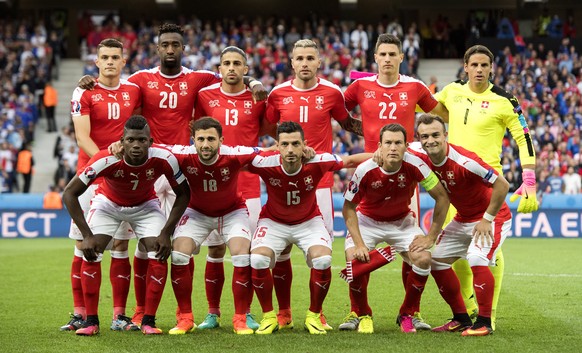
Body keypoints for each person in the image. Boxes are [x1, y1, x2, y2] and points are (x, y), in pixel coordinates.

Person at [80, 23, 267, 326]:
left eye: (175, 45)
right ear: (158, 48)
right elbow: (113, 84)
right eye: (165, 44)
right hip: (151, 167)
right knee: (142, 244)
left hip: (183, 168)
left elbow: (233, 75)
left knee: (182, 244)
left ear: (183, 48)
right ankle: (139, 312)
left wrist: (255, 80)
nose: (170, 49)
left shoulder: (198, 78)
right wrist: (87, 82)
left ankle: (188, 314)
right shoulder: (141, 79)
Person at [340, 33, 448, 331]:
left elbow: (439, 116)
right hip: (372, 166)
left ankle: (411, 312)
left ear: (402, 57)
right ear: (375, 58)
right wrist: (364, 133)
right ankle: (356, 312)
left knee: (414, 251)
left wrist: (415, 146)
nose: (387, 59)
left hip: (404, 168)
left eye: (392, 54)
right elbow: (339, 112)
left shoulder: (415, 86)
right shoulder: (360, 85)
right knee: (356, 255)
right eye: (382, 54)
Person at [435, 44, 538, 330]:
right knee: (454, 254)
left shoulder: (506, 100)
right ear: (465, 67)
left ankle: (487, 313)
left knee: (487, 252)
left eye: (485, 65)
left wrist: (528, 178)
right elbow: (420, 104)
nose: (479, 69)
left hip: (488, 184)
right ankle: (466, 312)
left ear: (491, 68)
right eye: (474, 65)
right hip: (454, 184)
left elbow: (524, 137)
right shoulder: (451, 92)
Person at [265, 38, 362, 330]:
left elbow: (349, 125)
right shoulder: (278, 93)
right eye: (300, 58)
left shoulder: (332, 92)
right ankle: (283, 313)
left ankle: (315, 312)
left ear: (319, 62)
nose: (305, 63)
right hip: (284, 179)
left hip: (319, 182)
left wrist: (380, 133)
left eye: (310, 58)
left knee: (318, 253)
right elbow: (271, 130)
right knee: (280, 250)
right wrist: (289, 153)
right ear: (291, 62)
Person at [62, 115, 190, 335]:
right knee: (91, 251)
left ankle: (148, 321)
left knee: (159, 252)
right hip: (108, 204)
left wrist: (166, 232)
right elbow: (70, 193)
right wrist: (87, 235)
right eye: (131, 140)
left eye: (142, 140)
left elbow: (184, 193)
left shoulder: (164, 158)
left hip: (146, 206)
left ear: (150, 142)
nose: (136, 145)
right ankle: (91, 321)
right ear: (122, 141)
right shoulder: (106, 158)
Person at [248, 121, 370, 335]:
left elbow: (350, 160)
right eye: (284, 144)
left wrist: (381, 155)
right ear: (277, 145)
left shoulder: (317, 160)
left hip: (308, 221)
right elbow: (232, 160)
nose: (290, 149)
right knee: (258, 259)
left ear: (305, 144)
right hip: (273, 221)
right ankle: (269, 316)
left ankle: (314, 315)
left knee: (323, 259)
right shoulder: (264, 162)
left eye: (296, 144)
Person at [61, 38, 142, 333]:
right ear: (96, 62)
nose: (109, 61)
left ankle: (119, 316)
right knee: (84, 245)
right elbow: (82, 138)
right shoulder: (84, 90)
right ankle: (80, 314)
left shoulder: (134, 90)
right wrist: (106, 165)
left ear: (123, 61)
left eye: (115, 57)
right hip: (90, 176)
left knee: (121, 245)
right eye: (104, 57)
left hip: (122, 179)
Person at [341, 123, 449, 334]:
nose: (393, 147)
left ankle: (408, 314)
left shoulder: (415, 165)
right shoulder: (365, 170)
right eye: (388, 143)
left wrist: (431, 236)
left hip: (402, 222)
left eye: (398, 143)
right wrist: (360, 244)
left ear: (406, 146)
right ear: (379, 146)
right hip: (367, 221)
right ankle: (361, 313)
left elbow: (442, 197)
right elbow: (348, 208)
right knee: (354, 257)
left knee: (424, 258)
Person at [409, 114, 512, 336]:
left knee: (476, 257)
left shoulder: (466, 161)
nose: (430, 141)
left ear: (445, 135)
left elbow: (502, 185)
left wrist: (487, 219)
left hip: (492, 217)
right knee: (436, 261)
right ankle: (461, 318)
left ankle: (484, 322)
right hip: (463, 218)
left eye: (436, 135)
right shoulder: (417, 151)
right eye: (425, 136)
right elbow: (395, 146)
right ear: (419, 138)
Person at [191, 46, 270, 331]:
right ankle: (213, 313)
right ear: (220, 68)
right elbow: (197, 131)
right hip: (212, 186)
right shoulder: (205, 96)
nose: (232, 68)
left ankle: (245, 312)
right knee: (213, 251)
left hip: (247, 185)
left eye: (238, 63)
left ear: (246, 69)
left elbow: (264, 130)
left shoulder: (258, 97)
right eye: (227, 63)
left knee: (243, 253)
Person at [167, 117, 262, 335]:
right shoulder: (183, 153)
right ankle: (185, 317)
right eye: (200, 139)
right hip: (197, 213)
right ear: (193, 140)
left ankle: (240, 318)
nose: (205, 144)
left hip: (232, 212)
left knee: (241, 254)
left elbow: (266, 152)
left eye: (211, 139)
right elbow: (153, 147)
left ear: (221, 140)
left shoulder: (233, 153)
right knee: (179, 254)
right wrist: (117, 145)